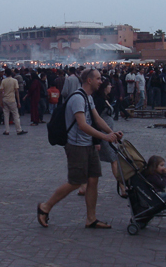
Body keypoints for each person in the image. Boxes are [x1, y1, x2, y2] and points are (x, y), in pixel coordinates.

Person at [36, 68, 123, 230]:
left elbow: (96, 119)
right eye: (98, 78)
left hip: (88, 145)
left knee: (93, 180)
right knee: (75, 182)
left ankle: (91, 218)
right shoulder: (77, 98)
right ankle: (45, 206)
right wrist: (105, 137)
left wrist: (112, 133)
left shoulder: (88, 97)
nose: (101, 81)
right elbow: (82, 125)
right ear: (89, 80)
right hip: (76, 146)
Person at [0, 69, 26, 136]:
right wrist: (18, 101)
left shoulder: (3, 81)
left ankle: (7, 130)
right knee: (15, 115)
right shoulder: (14, 81)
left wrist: (1, 101)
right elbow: (16, 91)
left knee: (6, 115)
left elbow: (1, 91)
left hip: (5, 99)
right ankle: (18, 130)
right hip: (12, 99)